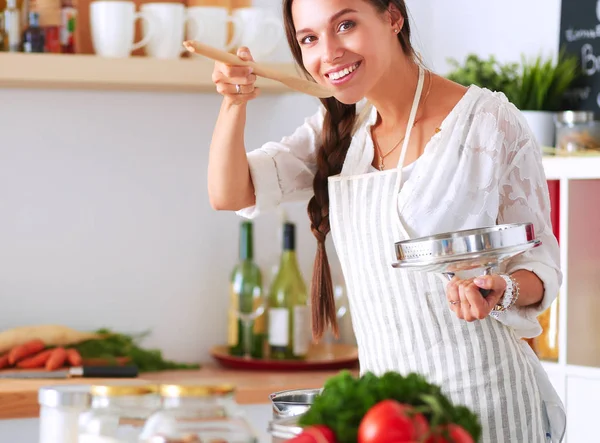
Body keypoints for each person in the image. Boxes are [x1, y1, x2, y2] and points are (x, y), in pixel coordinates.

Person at [207, 0, 565, 441]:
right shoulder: (339, 128)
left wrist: (502, 289)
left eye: (346, 24)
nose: (329, 52)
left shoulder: (487, 123)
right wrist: (232, 104)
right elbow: (229, 192)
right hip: (389, 417)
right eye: (310, 39)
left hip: (489, 404)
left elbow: (541, 264)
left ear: (393, 17)